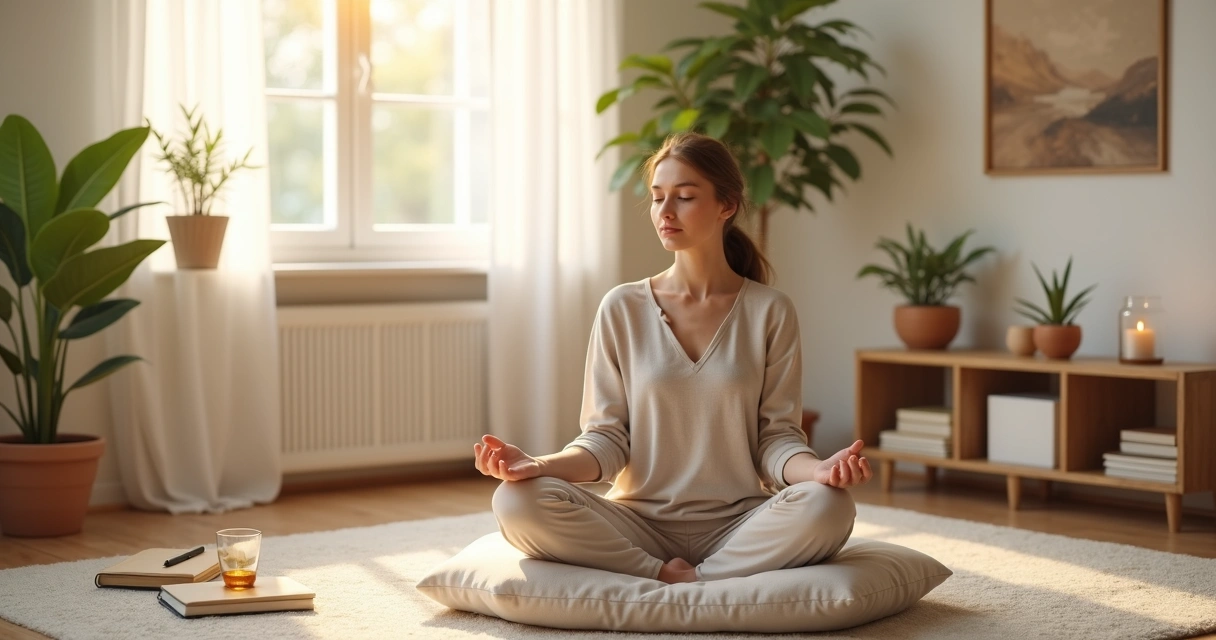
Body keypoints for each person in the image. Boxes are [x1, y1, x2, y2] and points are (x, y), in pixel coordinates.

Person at [474, 132, 873, 584]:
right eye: (657, 197)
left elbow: (775, 439)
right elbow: (605, 440)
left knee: (830, 504)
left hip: (738, 524)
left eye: (684, 197)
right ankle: (662, 573)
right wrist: (538, 465)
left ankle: (698, 578)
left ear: (726, 205)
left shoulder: (770, 310)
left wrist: (819, 470)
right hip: (636, 525)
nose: (665, 212)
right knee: (514, 500)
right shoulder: (621, 307)